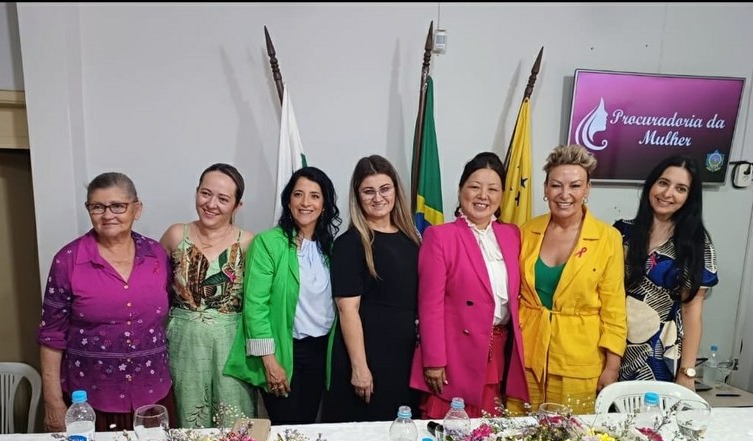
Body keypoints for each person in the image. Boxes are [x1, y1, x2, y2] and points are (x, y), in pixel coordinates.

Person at [37, 172, 175, 432]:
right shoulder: (68, 260)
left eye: (118, 206)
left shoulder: (156, 254)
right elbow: (51, 336)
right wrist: (52, 402)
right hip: (90, 401)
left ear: (137, 209)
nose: (108, 215)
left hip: (153, 394)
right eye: (97, 207)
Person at [410, 152, 529, 419]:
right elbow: (429, 305)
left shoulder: (512, 235)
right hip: (454, 355)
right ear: (461, 189)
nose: (483, 196)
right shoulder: (440, 236)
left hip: (498, 352)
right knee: (451, 432)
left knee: (490, 433)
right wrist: (434, 361)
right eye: (474, 187)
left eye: (492, 189)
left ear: (501, 195)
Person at [224, 166, 341, 425]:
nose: (305, 202)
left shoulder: (330, 248)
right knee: (286, 430)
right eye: (298, 194)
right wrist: (269, 361)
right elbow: (255, 306)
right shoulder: (268, 243)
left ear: (324, 205)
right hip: (284, 352)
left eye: (314, 196)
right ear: (288, 201)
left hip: (322, 352)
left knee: (308, 427)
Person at [519, 144, 626, 415]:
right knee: (518, 434)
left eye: (575, 186)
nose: (564, 194)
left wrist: (612, 367)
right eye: (556, 185)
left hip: (580, 362)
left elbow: (614, 310)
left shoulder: (608, 238)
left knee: (570, 437)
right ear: (545, 189)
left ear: (587, 189)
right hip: (527, 357)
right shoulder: (526, 231)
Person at [322, 155, 421, 422]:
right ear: (358, 196)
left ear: (396, 191)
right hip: (367, 358)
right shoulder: (349, 244)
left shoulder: (412, 239)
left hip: (404, 357)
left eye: (384, 189)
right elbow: (347, 310)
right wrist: (360, 367)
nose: (378, 198)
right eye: (368, 191)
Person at [160, 163, 258, 428]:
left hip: (232, 345)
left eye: (223, 199)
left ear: (237, 205)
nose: (211, 204)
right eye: (205, 193)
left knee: (234, 421)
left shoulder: (248, 242)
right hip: (184, 344)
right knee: (188, 420)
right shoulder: (175, 235)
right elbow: (154, 291)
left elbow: (258, 303)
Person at [615, 155, 718, 389]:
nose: (668, 193)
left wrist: (687, 372)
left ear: (689, 197)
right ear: (651, 184)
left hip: (658, 357)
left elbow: (692, 311)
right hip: (612, 347)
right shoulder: (621, 232)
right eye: (663, 183)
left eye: (680, 189)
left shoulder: (695, 244)